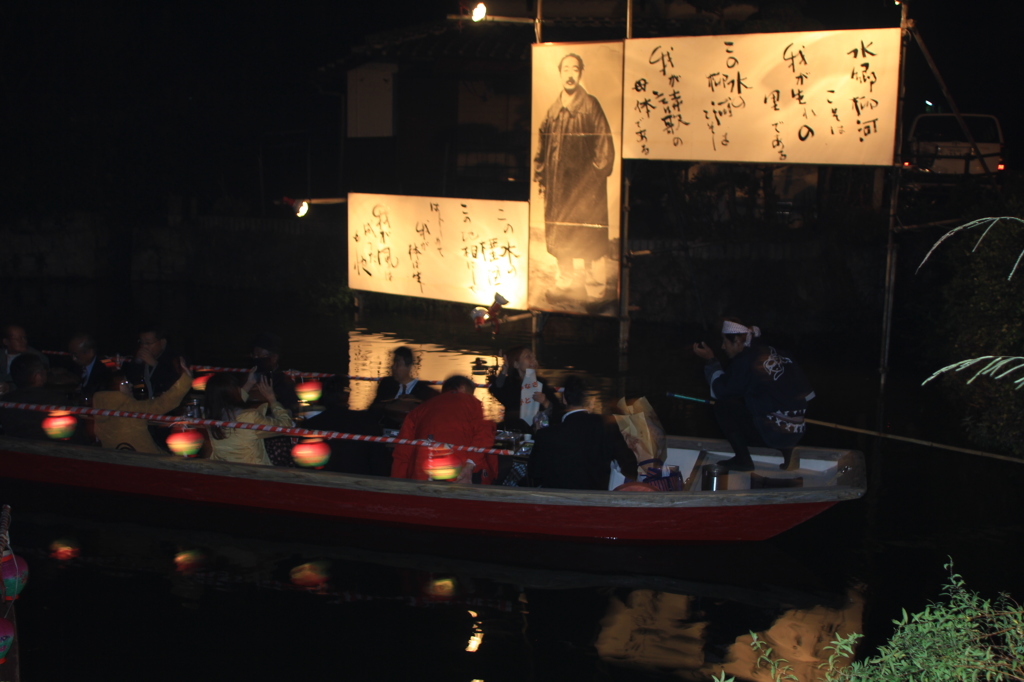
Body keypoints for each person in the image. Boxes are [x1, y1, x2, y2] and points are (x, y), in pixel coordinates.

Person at [534, 52, 615, 302]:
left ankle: (595, 288)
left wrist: (592, 181)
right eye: (566, 69)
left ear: (581, 73)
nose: (570, 74)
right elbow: (541, 151)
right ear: (560, 73)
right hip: (559, 190)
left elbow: (604, 146)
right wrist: (542, 177)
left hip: (586, 191)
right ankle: (566, 284)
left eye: (575, 69)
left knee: (589, 237)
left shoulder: (591, 105)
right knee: (563, 238)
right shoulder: (552, 111)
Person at [692, 319, 815, 471]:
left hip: (773, 435)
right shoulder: (783, 355)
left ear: (737, 340)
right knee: (752, 401)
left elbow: (720, 391)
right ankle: (786, 448)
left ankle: (743, 460)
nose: (723, 346)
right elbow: (808, 396)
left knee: (723, 406)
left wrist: (711, 360)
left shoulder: (746, 360)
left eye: (724, 341)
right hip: (796, 433)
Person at [528, 375, 633, 490]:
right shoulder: (606, 427)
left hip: (557, 503)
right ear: (591, 402)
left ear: (564, 399)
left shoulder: (546, 435)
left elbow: (534, 473)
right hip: (596, 501)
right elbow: (628, 462)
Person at [390, 375, 497, 483]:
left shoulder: (420, 408)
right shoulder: (475, 404)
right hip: (458, 468)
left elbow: (402, 450)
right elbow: (484, 436)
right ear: (462, 387)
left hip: (422, 467)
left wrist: (398, 483)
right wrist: (470, 465)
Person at [92, 358, 193, 453]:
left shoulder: (98, 409)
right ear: (115, 388)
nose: (131, 385)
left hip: (116, 462)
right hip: (146, 461)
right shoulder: (130, 408)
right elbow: (162, 404)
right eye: (125, 383)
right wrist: (185, 380)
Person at [203, 372, 294, 466]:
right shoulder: (249, 417)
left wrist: (249, 383)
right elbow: (285, 426)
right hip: (252, 473)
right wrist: (272, 399)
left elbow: (227, 400)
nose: (239, 388)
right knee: (282, 445)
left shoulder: (209, 416)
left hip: (223, 470)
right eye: (237, 387)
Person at [250, 331, 299, 466]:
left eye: (261, 356)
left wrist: (272, 400)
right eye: (254, 355)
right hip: (250, 430)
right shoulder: (249, 377)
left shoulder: (284, 381)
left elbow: (290, 412)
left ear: (274, 357)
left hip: (273, 432)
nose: (256, 358)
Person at [487, 346, 559, 433]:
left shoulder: (541, 384)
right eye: (528, 356)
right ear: (516, 364)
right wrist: (504, 371)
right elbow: (497, 390)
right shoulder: (510, 384)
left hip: (537, 431)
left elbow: (557, 411)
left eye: (533, 356)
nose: (533, 359)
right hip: (514, 430)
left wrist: (545, 402)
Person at [0, 354, 70, 440]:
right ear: (38, 376)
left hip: (13, 451)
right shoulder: (55, 400)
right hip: (50, 451)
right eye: (44, 371)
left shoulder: (5, 402)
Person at [371, 346, 438, 427]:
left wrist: (415, 401)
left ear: (409, 367)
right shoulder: (387, 384)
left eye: (397, 364)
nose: (393, 367)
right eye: (393, 363)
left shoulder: (425, 391)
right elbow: (374, 408)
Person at [123, 325, 182, 399]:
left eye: (148, 343)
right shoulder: (139, 359)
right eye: (141, 342)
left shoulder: (174, 359)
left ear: (162, 342)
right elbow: (131, 380)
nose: (144, 347)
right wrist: (136, 363)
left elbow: (175, 384)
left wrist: (155, 365)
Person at [1, 324, 49, 395]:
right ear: (6, 342)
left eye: (24, 338)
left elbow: (35, 384)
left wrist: (9, 387)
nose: (23, 341)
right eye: (18, 339)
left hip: (24, 398)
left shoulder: (36, 358)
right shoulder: (1, 355)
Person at [69, 332, 112, 400]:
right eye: (72, 355)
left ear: (90, 352)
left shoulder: (105, 371)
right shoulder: (75, 367)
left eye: (76, 356)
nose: (73, 359)